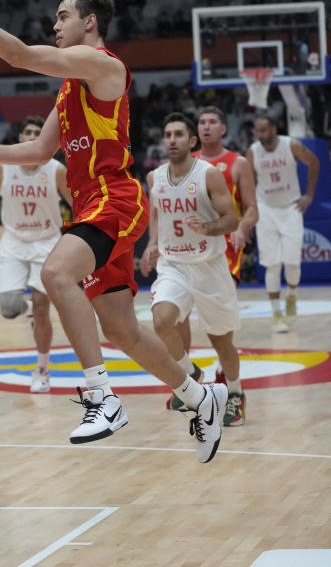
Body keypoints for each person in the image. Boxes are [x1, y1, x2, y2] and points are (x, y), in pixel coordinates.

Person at [0, 0, 226, 461]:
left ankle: (101, 396)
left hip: (114, 196)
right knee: (122, 330)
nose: (54, 24)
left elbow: (20, 54)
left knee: (55, 272)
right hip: (91, 204)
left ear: (89, 21)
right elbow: (41, 150)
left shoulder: (102, 65)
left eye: (62, 16)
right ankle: (200, 396)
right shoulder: (70, 90)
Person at [141, 113, 245, 427]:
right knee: (162, 322)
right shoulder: (154, 177)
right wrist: (152, 243)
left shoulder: (209, 175)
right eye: (167, 135)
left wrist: (209, 227)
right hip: (173, 264)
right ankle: (192, 374)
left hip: (209, 266)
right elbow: (156, 216)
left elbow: (232, 220)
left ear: (192, 141)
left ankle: (236, 394)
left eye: (178, 135)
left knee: (221, 342)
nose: (171, 140)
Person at [0, 115, 73, 392]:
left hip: (46, 241)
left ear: (44, 139)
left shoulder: (55, 170)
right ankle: (24, 308)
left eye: (37, 133)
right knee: (9, 309)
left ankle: (42, 369)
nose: (31, 135)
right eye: (27, 131)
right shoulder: (4, 166)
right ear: (20, 138)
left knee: (42, 309)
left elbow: (75, 201)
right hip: (14, 241)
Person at [168, 105, 260, 413]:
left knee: (219, 332)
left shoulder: (238, 163)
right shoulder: (182, 164)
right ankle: (189, 378)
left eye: (213, 122)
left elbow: (251, 209)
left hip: (222, 251)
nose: (207, 127)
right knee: (175, 317)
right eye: (202, 123)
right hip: (182, 254)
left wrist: (243, 227)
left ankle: (229, 381)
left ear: (223, 129)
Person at [246, 114, 320, 333]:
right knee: (272, 264)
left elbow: (314, 162)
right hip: (265, 209)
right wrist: (249, 212)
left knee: (292, 263)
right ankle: (276, 313)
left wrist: (309, 195)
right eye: (257, 131)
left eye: (264, 130)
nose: (260, 135)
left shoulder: (292, 145)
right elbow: (247, 182)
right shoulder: (253, 152)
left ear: (274, 129)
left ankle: (292, 297)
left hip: (291, 207)